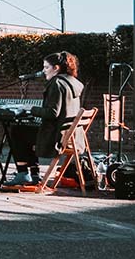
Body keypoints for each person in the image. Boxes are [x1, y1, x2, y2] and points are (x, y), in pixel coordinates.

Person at [5, 51, 84, 187]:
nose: (43, 71)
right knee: (25, 131)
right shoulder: (72, 82)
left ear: (56, 68)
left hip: (56, 138)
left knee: (16, 130)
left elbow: (52, 113)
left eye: (46, 67)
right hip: (70, 136)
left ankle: (23, 173)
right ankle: (34, 174)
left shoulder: (57, 84)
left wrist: (31, 109)